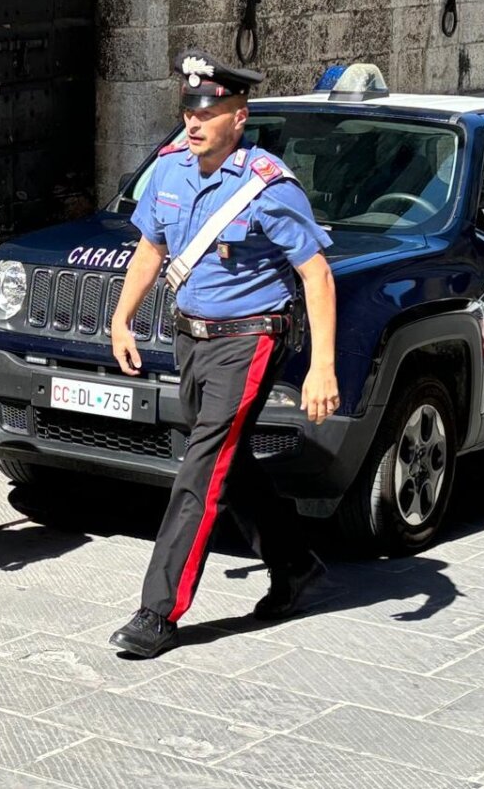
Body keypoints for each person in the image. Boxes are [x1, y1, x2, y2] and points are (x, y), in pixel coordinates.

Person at [107, 49, 340, 658]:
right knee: (226, 463)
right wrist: (122, 317)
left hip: (249, 340)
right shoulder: (167, 172)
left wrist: (322, 367)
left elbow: (316, 275)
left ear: (240, 117)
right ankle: (295, 565)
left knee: (201, 469)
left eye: (208, 112)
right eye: (188, 109)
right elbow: (150, 251)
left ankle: (158, 611)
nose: (194, 122)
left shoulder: (267, 186)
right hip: (191, 336)